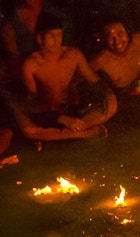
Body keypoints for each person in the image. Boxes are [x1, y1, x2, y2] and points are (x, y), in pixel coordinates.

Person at [13, 14, 116, 142]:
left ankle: (60, 134)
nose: (57, 40)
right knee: (29, 130)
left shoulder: (72, 54)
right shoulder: (32, 65)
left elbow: (93, 80)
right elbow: (33, 103)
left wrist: (108, 93)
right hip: (45, 115)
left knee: (111, 105)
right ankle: (82, 133)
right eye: (51, 36)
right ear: (40, 38)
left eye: (59, 34)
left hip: (69, 109)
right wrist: (60, 118)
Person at [90, 20, 140, 124]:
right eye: (110, 37)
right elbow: (84, 76)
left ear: (127, 33)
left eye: (120, 34)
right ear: (104, 40)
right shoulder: (102, 59)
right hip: (125, 94)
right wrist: (106, 92)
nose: (116, 41)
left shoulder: (139, 40)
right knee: (130, 106)